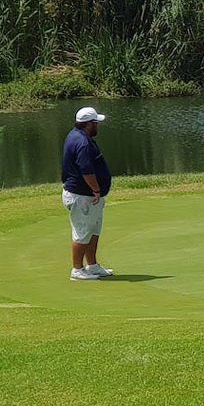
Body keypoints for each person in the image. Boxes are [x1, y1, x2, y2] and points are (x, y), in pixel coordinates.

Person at [61, 105, 113, 281]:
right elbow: (86, 171)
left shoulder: (78, 136)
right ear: (89, 124)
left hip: (87, 196)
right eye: (96, 122)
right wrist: (96, 189)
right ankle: (77, 270)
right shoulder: (82, 142)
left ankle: (92, 266)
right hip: (83, 196)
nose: (98, 125)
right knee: (83, 232)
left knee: (93, 230)